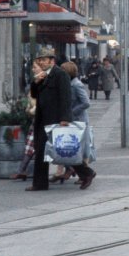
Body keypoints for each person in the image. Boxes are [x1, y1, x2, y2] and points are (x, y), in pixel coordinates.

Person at [28, 47, 94, 191]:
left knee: (62, 149)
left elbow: (65, 98)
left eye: (44, 60)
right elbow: (34, 94)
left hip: (55, 119)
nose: (41, 63)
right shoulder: (43, 75)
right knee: (40, 150)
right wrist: (36, 81)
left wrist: (65, 118)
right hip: (42, 119)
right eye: (40, 60)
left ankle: (87, 173)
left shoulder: (60, 75)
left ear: (52, 61)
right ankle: (39, 184)